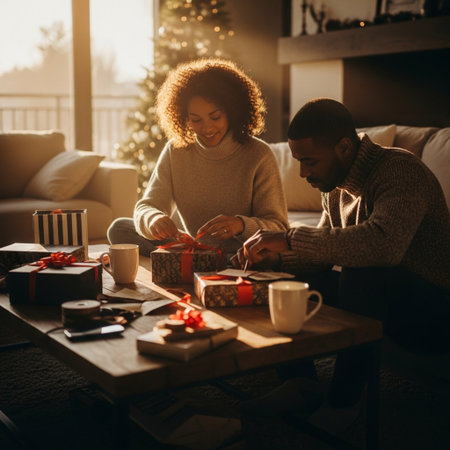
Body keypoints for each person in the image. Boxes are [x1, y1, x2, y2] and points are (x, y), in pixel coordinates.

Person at [234, 98, 450, 429]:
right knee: (284, 278)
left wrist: (290, 237)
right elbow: (321, 251)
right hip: (392, 301)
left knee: (362, 271)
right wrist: (274, 260)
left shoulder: (400, 170)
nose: (304, 173)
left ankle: (343, 400)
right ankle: (300, 383)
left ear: (345, 147)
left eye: (309, 162)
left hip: (435, 311)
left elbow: (384, 246)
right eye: (298, 163)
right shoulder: (335, 188)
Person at [108, 58, 289, 257]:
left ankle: (186, 261)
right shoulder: (176, 150)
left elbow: (279, 228)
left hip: (240, 253)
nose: (206, 128)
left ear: (233, 111)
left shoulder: (259, 154)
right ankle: (192, 260)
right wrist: (153, 219)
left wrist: (240, 225)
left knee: (263, 256)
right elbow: (147, 205)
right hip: (193, 247)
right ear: (184, 117)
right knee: (120, 228)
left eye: (215, 117)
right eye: (196, 120)